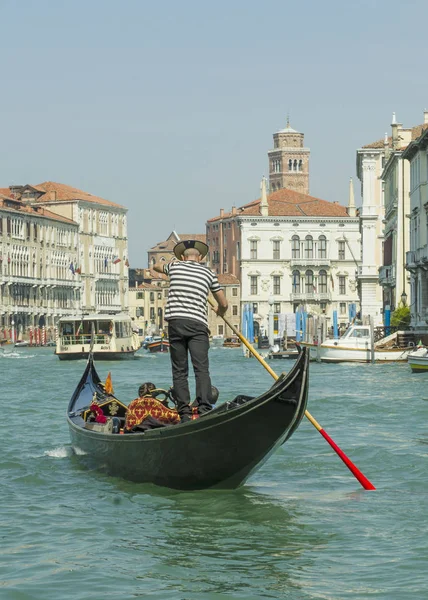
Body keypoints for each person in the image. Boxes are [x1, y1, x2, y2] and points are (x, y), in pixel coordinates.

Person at [153, 240, 228, 422]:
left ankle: (184, 413)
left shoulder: (174, 267)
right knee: (201, 369)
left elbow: (156, 266)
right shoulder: (209, 273)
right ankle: (203, 409)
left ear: (183, 257)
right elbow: (224, 303)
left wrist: (174, 262)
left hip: (176, 323)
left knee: (179, 370)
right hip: (197, 325)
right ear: (200, 258)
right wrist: (220, 312)